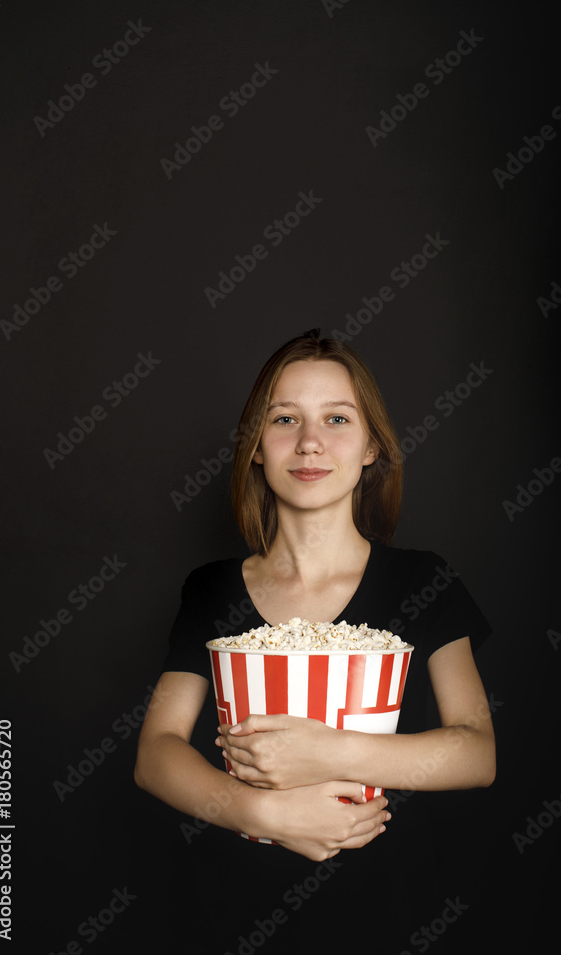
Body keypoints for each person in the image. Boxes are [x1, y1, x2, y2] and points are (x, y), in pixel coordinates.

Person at [135, 330, 495, 950]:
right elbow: (155, 753)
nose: (309, 442)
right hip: (230, 914)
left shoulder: (422, 580)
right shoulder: (212, 591)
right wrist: (260, 812)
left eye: (336, 418)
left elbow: (476, 753)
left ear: (371, 447)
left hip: (390, 915)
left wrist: (328, 750)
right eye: (284, 419)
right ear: (255, 447)